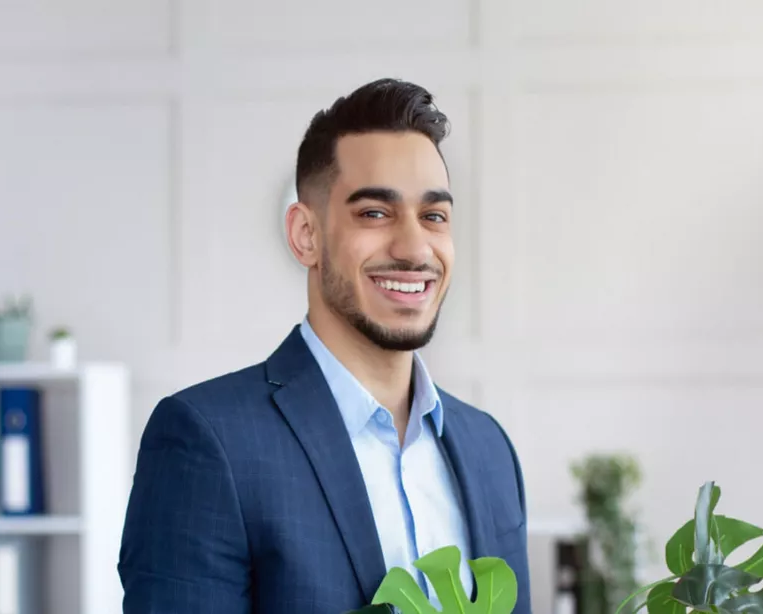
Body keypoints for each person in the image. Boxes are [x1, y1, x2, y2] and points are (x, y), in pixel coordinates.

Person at [118, 78, 531, 614]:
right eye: (374, 213)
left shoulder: (489, 448)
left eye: (434, 216)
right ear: (305, 235)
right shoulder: (208, 441)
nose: (413, 247)